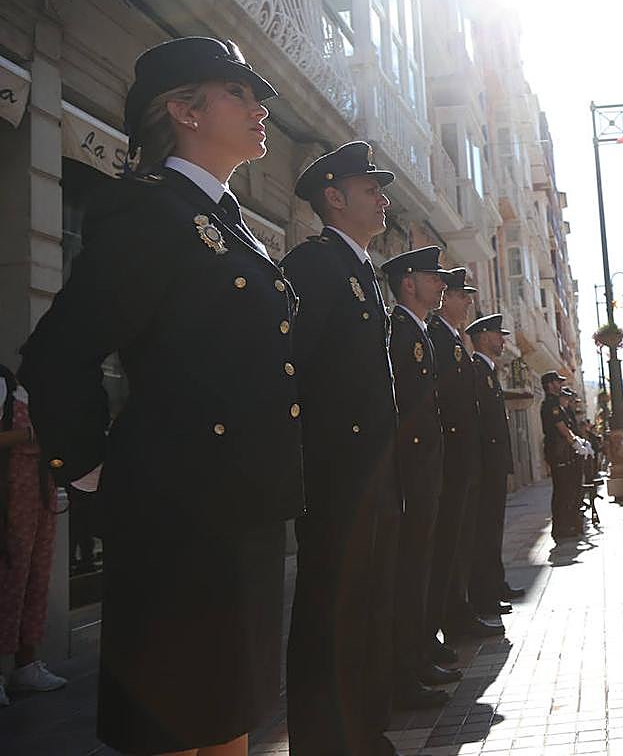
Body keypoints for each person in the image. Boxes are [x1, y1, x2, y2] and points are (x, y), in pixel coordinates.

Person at [19, 37, 302, 756]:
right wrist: (95, 474)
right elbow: (58, 351)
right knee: (178, 722)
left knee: (231, 713)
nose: (258, 106)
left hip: (242, 510)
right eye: (237, 92)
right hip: (178, 514)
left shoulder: (232, 223)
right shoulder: (148, 213)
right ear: (184, 110)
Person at [281, 141, 401, 756]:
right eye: (370, 190)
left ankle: (361, 730)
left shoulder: (358, 270)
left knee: (364, 604)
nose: (383, 200)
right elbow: (291, 368)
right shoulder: (315, 265)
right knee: (331, 609)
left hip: (367, 472)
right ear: (334, 197)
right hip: (334, 472)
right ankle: (326, 741)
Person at [381, 246, 453, 711]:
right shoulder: (401, 330)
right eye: (434, 277)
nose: (442, 284)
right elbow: (402, 409)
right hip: (409, 471)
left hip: (424, 468)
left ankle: (418, 656)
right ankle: (405, 670)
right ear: (409, 282)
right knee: (407, 574)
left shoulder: (419, 331)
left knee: (419, 569)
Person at [427, 269, 499, 648]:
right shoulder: (437, 336)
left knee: (461, 541)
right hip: (451, 459)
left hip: (464, 458)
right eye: (460, 294)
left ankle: (460, 610)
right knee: (449, 546)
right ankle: (449, 618)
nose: (467, 300)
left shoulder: (454, 339)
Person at [0, 367, 67, 707]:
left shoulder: (38, 393)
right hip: (12, 488)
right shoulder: (5, 387)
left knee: (36, 578)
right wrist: (27, 436)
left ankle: (26, 662)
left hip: (43, 486)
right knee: (10, 577)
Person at [466, 315, 524, 616]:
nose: (502, 341)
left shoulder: (489, 372)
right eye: (496, 335)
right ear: (481, 337)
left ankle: (496, 583)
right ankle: (485, 592)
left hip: (495, 465)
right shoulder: (476, 371)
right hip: (485, 466)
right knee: (485, 532)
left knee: (493, 529)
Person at [542, 371, 587, 541]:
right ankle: (561, 527)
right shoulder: (550, 404)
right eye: (557, 382)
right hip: (558, 452)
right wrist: (575, 442)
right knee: (562, 490)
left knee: (567, 489)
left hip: (563, 452)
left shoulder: (556, 404)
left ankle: (566, 524)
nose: (560, 385)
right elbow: (560, 426)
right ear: (550, 384)